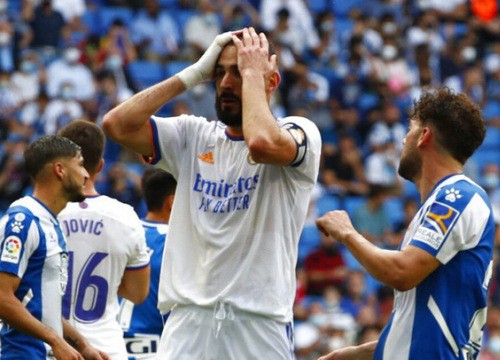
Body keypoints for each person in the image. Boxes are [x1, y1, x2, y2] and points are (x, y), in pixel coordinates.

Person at [103, 27, 322, 359]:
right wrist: (193, 74)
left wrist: (252, 75)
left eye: (239, 72)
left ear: (271, 82)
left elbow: (261, 143)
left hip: (260, 326)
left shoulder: (300, 131)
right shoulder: (194, 135)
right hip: (188, 323)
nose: (225, 83)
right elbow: (116, 125)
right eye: (219, 73)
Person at [317, 87, 495, 360]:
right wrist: (355, 354)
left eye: (410, 129)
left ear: (424, 136)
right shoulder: (442, 204)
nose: (403, 139)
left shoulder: (456, 196)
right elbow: (419, 330)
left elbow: (402, 273)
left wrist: (346, 232)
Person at [0, 135, 108, 359]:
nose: (87, 174)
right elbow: (2, 296)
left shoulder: (51, 223)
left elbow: (41, 308)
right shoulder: (22, 221)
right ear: (60, 170)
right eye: (80, 164)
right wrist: (54, 340)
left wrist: (83, 345)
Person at [58, 120, 150, 359]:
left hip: (51, 348)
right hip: (106, 349)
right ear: (100, 166)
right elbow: (138, 293)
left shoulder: (41, 213)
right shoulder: (126, 217)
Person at [118, 168, 177, 359]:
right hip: (152, 348)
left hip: (110, 343)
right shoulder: (175, 242)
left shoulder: (125, 232)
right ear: (172, 201)